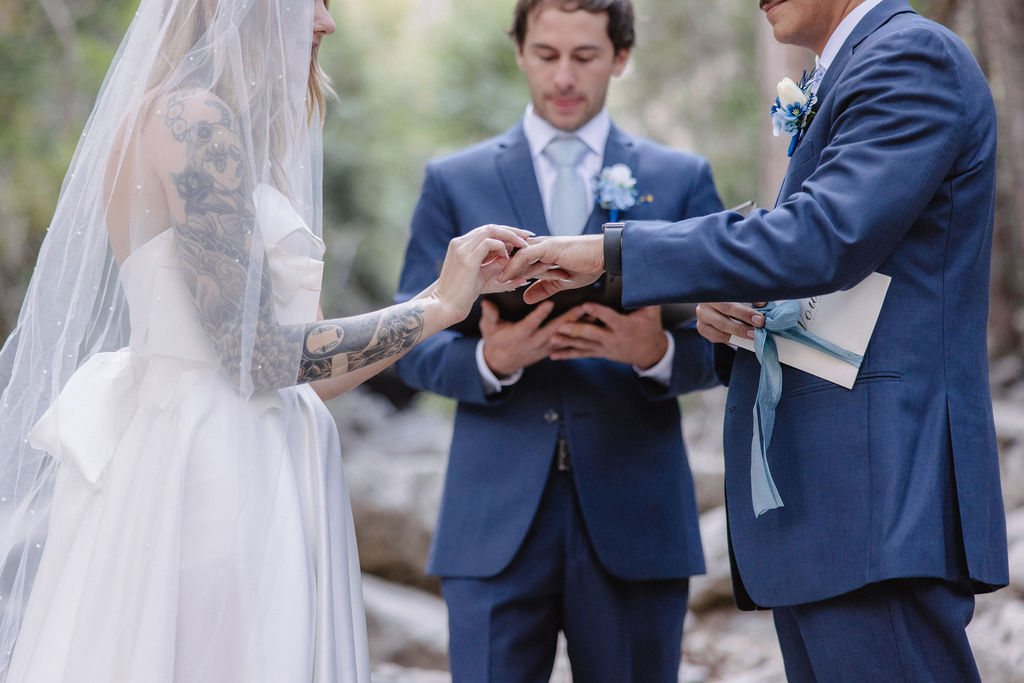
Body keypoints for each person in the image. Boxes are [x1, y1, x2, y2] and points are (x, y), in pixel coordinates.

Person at [0, 0, 530, 680]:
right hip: (210, 473)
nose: (325, 22)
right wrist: (438, 309)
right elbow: (258, 356)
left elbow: (299, 372)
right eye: (309, 0)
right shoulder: (192, 122)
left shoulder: (227, 130)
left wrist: (447, 294)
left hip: (255, 445)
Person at [502, 0, 1009, 679]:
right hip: (836, 507)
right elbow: (840, 266)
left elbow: (822, 239)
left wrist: (609, 254)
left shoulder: (912, 58)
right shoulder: (850, 70)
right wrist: (735, 313)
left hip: (880, 493)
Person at [393, 1, 722, 679]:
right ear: (519, 51)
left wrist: (653, 354)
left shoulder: (680, 179)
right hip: (491, 527)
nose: (564, 77)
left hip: (638, 518)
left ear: (621, 57)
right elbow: (405, 337)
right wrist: (490, 360)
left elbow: (728, 341)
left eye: (585, 56)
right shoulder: (455, 181)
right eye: (546, 55)